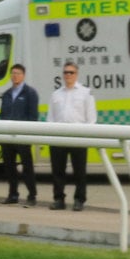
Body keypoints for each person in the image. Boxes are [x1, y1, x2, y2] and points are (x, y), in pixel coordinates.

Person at [47, 61, 96, 211]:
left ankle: (79, 200)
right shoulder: (56, 94)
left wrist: (86, 136)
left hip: (78, 137)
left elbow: (91, 119)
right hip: (58, 137)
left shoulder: (86, 93)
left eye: (71, 72)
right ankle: (58, 199)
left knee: (79, 171)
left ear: (76, 74)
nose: (68, 75)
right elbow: (50, 118)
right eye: (65, 72)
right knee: (58, 171)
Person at [0, 61, 41, 206]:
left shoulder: (30, 93)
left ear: (23, 76)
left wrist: (27, 133)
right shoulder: (6, 94)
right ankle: (13, 194)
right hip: (7, 137)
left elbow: (33, 116)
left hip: (22, 137)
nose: (15, 76)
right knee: (9, 167)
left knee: (27, 167)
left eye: (18, 73)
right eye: (13, 73)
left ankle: (32, 195)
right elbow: (2, 114)